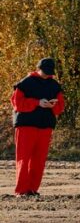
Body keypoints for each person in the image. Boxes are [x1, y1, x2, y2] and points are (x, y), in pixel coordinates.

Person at [11, 58, 66, 196]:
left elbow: (60, 108)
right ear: (38, 69)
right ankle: (22, 190)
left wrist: (53, 105)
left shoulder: (54, 85)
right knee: (24, 158)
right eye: (45, 72)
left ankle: (33, 189)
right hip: (26, 126)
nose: (47, 75)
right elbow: (17, 104)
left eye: (49, 72)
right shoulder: (25, 83)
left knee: (39, 160)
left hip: (45, 125)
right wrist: (37, 103)